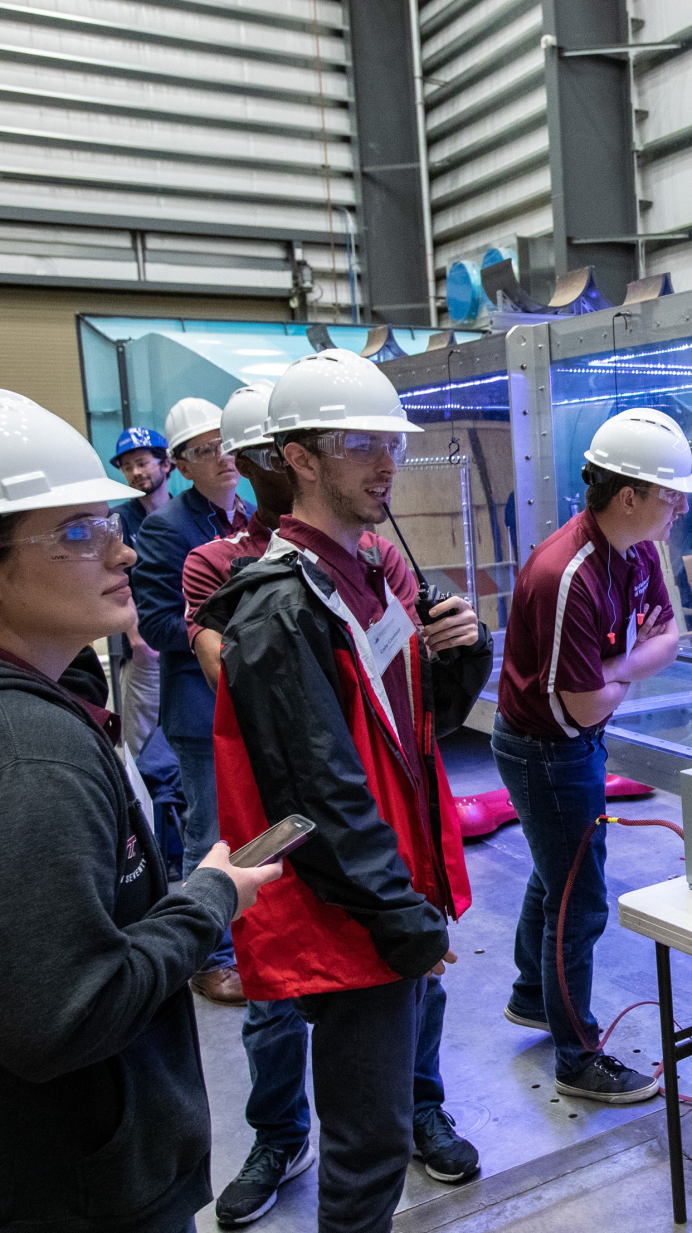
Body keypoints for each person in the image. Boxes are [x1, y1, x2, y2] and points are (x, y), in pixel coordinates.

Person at [198, 349, 492, 1233]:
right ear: (299, 458)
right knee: (366, 1154)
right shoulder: (280, 603)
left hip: (382, 885)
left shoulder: (361, 572)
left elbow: (405, 734)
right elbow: (314, 790)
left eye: (390, 441)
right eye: (358, 442)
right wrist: (396, 910)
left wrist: (461, 659)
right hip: (351, 901)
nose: (385, 461)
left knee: (379, 1130)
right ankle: (278, 1141)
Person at [0, 391, 278, 1233]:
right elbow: (65, 1016)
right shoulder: (31, 759)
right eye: (78, 532)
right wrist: (207, 900)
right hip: (85, 1189)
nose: (121, 549)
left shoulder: (60, 694)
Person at [493, 407, 690, 1102]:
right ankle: (577, 1060)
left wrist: (617, 669)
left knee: (556, 874)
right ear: (629, 495)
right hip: (548, 750)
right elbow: (583, 705)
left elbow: (673, 635)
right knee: (579, 901)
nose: (681, 506)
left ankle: (530, 994)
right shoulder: (566, 574)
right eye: (670, 494)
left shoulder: (638, 550)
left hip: (572, 741)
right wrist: (631, 668)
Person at [132, 396, 253, 1006]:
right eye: (205, 450)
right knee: (210, 830)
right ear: (180, 464)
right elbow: (153, 623)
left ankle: (250, 938)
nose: (223, 458)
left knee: (256, 824)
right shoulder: (166, 530)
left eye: (227, 444)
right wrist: (213, 631)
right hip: (199, 706)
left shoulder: (252, 515)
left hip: (252, 697)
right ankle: (210, 959)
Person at [110, 426, 173, 756]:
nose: (135, 472)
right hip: (144, 649)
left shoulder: (184, 515)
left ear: (166, 463)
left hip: (185, 643)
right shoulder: (117, 520)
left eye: (142, 462)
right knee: (142, 744)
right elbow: (116, 579)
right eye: (127, 466)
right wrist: (137, 639)